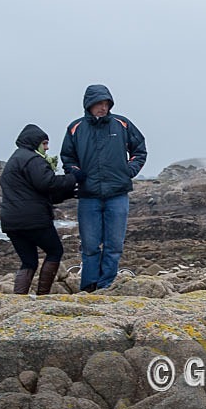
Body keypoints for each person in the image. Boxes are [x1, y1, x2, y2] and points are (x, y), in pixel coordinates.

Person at [60, 84, 147, 292]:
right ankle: (89, 286)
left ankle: (106, 285)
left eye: (106, 103)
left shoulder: (122, 124)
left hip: (118, 194)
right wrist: (75, 172)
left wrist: (130, 170)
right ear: (88, 104)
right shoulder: (75, 128)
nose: (103, 107)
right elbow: (67, 158)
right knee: (90, 246)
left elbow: (140, 150)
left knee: (114, 245)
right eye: (99, 103)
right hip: (88, 195)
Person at [0, 124, 86, 294]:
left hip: (11, 222)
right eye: (44, 143)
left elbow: (38, 192)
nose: (47, 148)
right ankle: (42, 295)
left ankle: (18, 299)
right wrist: (73, 178)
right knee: (55, 251)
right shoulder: (32, 159)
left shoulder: (15, 160)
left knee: (29, 261)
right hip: (33, 220)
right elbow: (47, 183)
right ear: (35, 142)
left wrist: (69, 193)